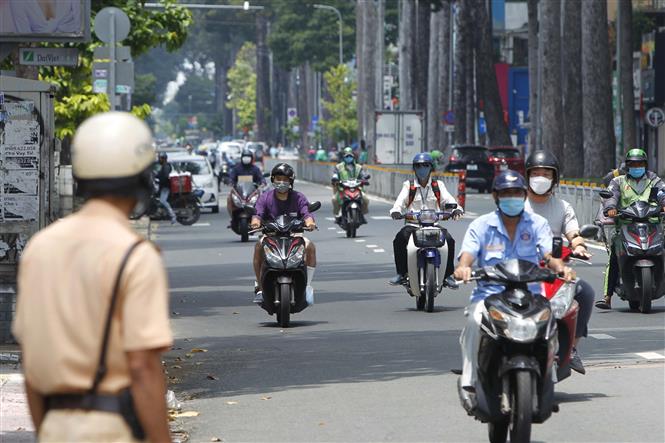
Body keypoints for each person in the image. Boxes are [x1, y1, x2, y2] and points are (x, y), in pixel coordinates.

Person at [12, 112, 173, 442]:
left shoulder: (40, 248)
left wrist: (47, 431)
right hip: (113, 429)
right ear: (142, 177)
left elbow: (30, 359)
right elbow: (142, 365)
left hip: (55, 426)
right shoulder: (134, 255)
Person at [454, 170, 576, 397]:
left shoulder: (537, 224)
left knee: (550, 322)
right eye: (506, 193)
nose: (512, 198)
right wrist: (463, 268)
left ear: (524, 195)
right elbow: (467, 255)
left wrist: (560, 267)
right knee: (473, 320)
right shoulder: (481, 225)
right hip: (490, 296)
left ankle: (549, 376)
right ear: (496, 196)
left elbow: (549, 254)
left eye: (517, 193)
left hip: (530, 295)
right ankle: (469, 383)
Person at [524, 150, 594, 374]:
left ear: (554, 179)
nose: (540, 178)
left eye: (546, 174)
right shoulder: (517, 206)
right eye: (536, 173)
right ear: (527, 176)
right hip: (521, 271)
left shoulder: (563, 207)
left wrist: (579, 246)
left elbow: (574, 233)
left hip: (556, 272)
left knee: (585, 292)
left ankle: (572, 348)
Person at [596, 148, 665, 309]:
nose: (637, 166)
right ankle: (607, 296)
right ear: (627, 166)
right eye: (633, 164)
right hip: (626, 225)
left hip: (652, 224)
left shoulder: (653, 180)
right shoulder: (619, 181)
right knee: (614, 254)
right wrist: (611, 207)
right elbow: (611, 196)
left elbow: (662, 192)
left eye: (640, 163)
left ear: (645, 165)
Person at [389, 153, 463, 286]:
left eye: (425, 165)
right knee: (399, 239)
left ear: (431, 168)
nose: (421, 168)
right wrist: (396, 211)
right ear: (414, 168)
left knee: (449, 240)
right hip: (413, 225)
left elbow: (448, 199)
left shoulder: (438, 185)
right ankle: (401, 273)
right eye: (418, 166)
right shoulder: (409, 185)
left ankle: (447, 275)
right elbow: (400, 201)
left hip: (433, 225)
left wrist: (456, 208)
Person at [250, 163, 317, 303]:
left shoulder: (299, 197)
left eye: (285, 179)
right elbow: (258, 213)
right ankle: (260, 286)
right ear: (273, 179)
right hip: (271, 235)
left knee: (310, 247)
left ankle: (307, 286)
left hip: (294, 235)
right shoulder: (265, 197)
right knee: (258, 246)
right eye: (278, 178)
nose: (281, 182)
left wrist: (310, 222)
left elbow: (306, 213)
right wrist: (255, 221)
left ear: (291, 181)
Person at [331, 147, 370, 222]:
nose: (348, 158)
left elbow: (363, 174)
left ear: (353, 156)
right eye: (347, 156)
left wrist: (365, 178)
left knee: (366, 200)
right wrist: (335, 178)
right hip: (342, 189)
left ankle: (361, 213)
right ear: (344, 157)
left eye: (350, 156)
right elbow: (335, 174)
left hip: (357, 189)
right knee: (335, 200)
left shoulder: (358, 167)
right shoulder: (338, 167)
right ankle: (337, 215)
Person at [226, 149, 266, 216]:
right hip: (239, 192)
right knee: (229, 199)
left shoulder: (255, 169)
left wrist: (263, 182)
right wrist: (230, 181)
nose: (246, 158)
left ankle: (261, 217)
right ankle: (232, 217)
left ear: (251, 158)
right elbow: (231, 178)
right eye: (245, 157)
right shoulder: (237, 168)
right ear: (241, 158)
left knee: (263, 199)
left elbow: (261, 178)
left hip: (252, 193)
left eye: (248, 157)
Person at [157, 152, 177, 224]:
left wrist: (159, 178)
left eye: (160, 158)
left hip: (166, 187)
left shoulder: (166, 166)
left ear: (163, 159)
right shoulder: (164, 166)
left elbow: (165, 176)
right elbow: (159, 174)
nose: (159, 160)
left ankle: (173, 215)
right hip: (163, 186)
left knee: (163, 201)